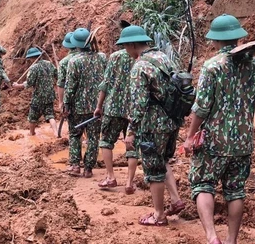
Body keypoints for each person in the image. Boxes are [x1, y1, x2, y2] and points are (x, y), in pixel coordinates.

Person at [183, 14, 255, 244]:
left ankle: (211, 237)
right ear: (238, 38)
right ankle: (231, 240)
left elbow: (201, 108)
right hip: (243, 142)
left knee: (203, 184)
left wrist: (190, 137)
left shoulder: (212, 67)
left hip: (213, 142)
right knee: (236, 190)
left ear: (215, 40)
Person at [117, 25, 183, 226]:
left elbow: (139, 104)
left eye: (125, 46)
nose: (125, 51)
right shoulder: (163, 58)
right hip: (172, 120)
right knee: (162, 160)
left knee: (153, 171)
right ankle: (176, 199)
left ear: (132, 44)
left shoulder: (139, 67)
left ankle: (158, 215)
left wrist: (131, 131)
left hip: (153, 124)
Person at [94, 46, 138, 194]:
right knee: (132, 146)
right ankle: (129, 183)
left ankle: (110, 177)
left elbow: (105, 84)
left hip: (113, 107)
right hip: (134, 109)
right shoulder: (141, 56)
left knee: (106, 141)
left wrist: (99, 106)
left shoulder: (114, 57)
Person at [63, 28, 106, 178]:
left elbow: (70, 86)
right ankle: (88, 169)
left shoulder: (74, 61)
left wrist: (66, 104)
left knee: (75, 134)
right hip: (97, 106)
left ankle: (75, 165)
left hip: (78, 107)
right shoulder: (101, 57)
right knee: (94, 137)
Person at [13, 47, 58, 136]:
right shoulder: (49, 64)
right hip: (50, 95)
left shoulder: (33, 68)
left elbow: (29, 83)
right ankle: (56, 133)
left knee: (32, 115)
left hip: (38, 96)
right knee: (50, 115)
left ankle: (31, 133)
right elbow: (57, 75)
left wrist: (18, 86)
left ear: (31, 58)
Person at [57, 32, 79, 113]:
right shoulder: (94, 56)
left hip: (73, 103)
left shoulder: (64, 62)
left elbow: (61, 84)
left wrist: (61, 102)